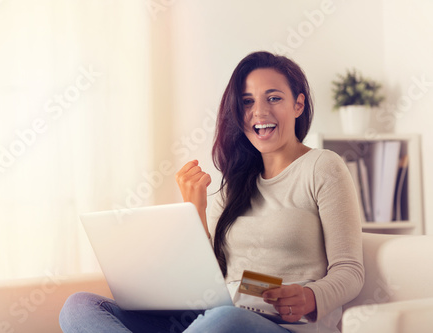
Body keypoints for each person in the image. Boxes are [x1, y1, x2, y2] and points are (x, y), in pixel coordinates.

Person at [59, 51, 364, 333]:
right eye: (246, 101)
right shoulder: (235, 183)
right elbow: (210, 281)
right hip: (214, 317)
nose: (259, 111)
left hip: (280, 326)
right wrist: (195, 212)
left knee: (224, 319)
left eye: (273, 98)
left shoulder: (323, 166)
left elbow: (350, 271)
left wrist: (310, 296)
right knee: (80, 307)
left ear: (298, 104)